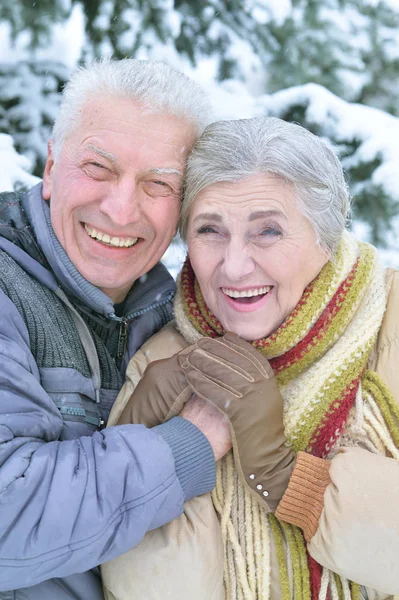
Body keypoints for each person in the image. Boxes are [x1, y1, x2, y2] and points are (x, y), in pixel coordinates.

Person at [102, 117, 399, 600]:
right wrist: (147, 447)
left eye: (267, 231)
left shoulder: (391, 321)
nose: (235, 265)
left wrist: (292, 481)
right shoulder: (159, 360)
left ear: (325, 235)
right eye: (210, 230)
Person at [0, 59, 234, 600]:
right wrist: (190, 445)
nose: (120, 208)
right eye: (99, 168)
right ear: (52, 163)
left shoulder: (175, 316)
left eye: (158, 183)